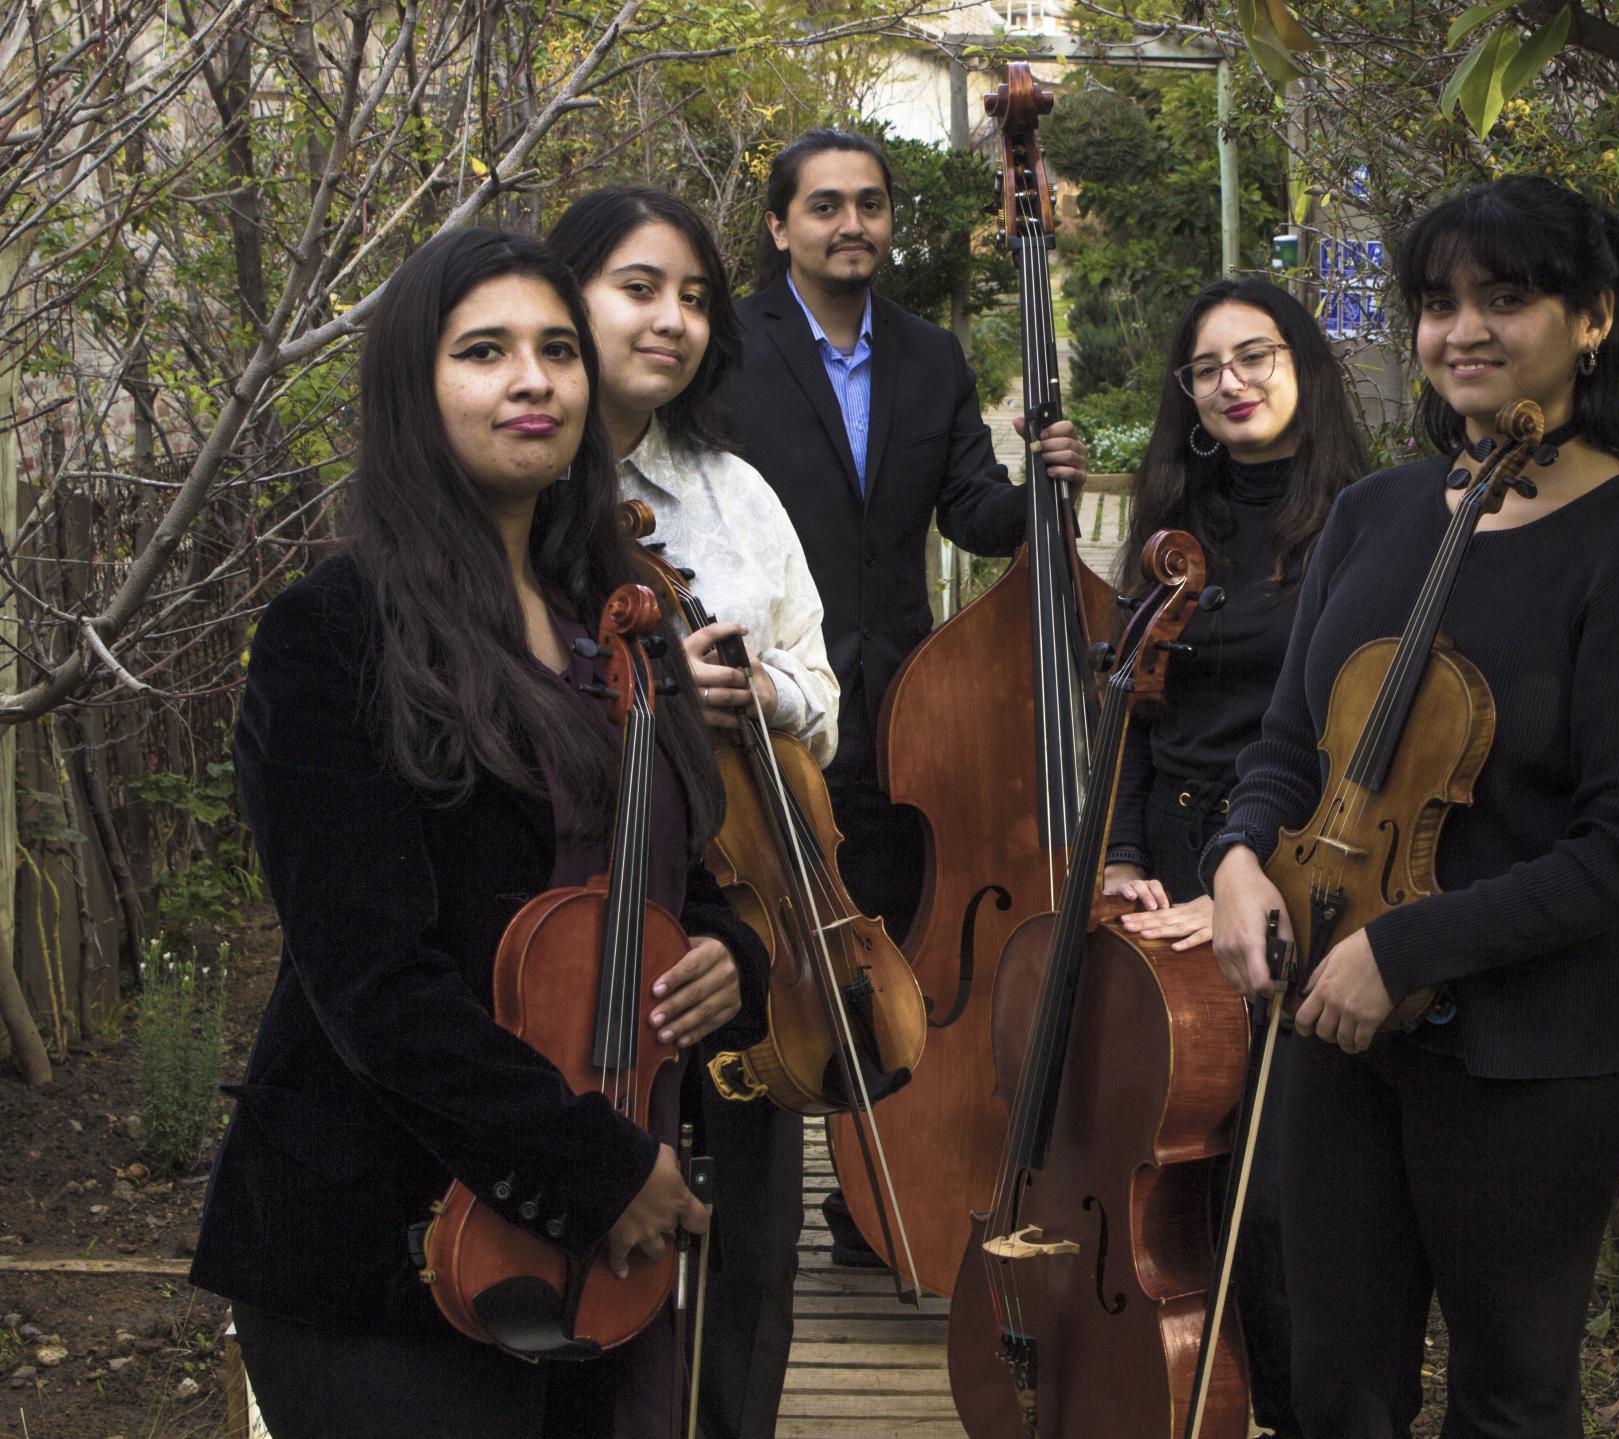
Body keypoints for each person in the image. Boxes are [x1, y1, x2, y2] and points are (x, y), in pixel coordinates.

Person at [190, 228, 769, 1439]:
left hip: (613, 1244)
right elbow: (372, 982)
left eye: (558, 349)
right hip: (389, 1248)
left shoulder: (622, 619)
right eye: (485, 350)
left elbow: (682, 866)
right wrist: (598, 1170)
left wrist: (731, 959)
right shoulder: (334, 633)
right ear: (416, 390)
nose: (535, 380)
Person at [1204, 176, 1619, 1438]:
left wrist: (1406, 945)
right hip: (1336, 1027)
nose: (1463, 332)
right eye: (1439, 304)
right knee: (1335, 1386)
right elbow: (1289, 745)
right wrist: (1234, 857)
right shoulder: (1377, 513)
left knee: (1507, 1397)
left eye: (1508, 298)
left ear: (1593, 318)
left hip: (1529, 1054)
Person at [722, 126, 1090, 1274]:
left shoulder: (931, 357)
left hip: (903, 710)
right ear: (781, 224)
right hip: (770, 700)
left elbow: (970, 509)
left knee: (897, 953)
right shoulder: (728, 348)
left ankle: (878, 1205)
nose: (851, 224)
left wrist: (1042, 489)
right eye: (825, 205)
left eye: (870, 205)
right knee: (770, 947)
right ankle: (756, 1195)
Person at [547, 185, 837, 1439]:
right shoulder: (518, 484)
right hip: (580, 933)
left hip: (746, 904)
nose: (671, 318)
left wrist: (756, 686)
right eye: (637, 287)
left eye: (695, 296)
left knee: (747, 1267)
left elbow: (829, 702)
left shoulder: (735, 493)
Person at [1095, 275, 1367, 1435]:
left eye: (1253, 356)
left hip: (1291, 865)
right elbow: (1130, 718)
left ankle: (1298, 1406)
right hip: (1167, 851)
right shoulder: (1172, 524)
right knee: (1165, 1157)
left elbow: (1351, 739)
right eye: (1207, 369)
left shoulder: (1362, 515)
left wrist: (1242, 879)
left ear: (1302, 361)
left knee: (1278, 1190)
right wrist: (1114, 856)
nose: (1232, 383)